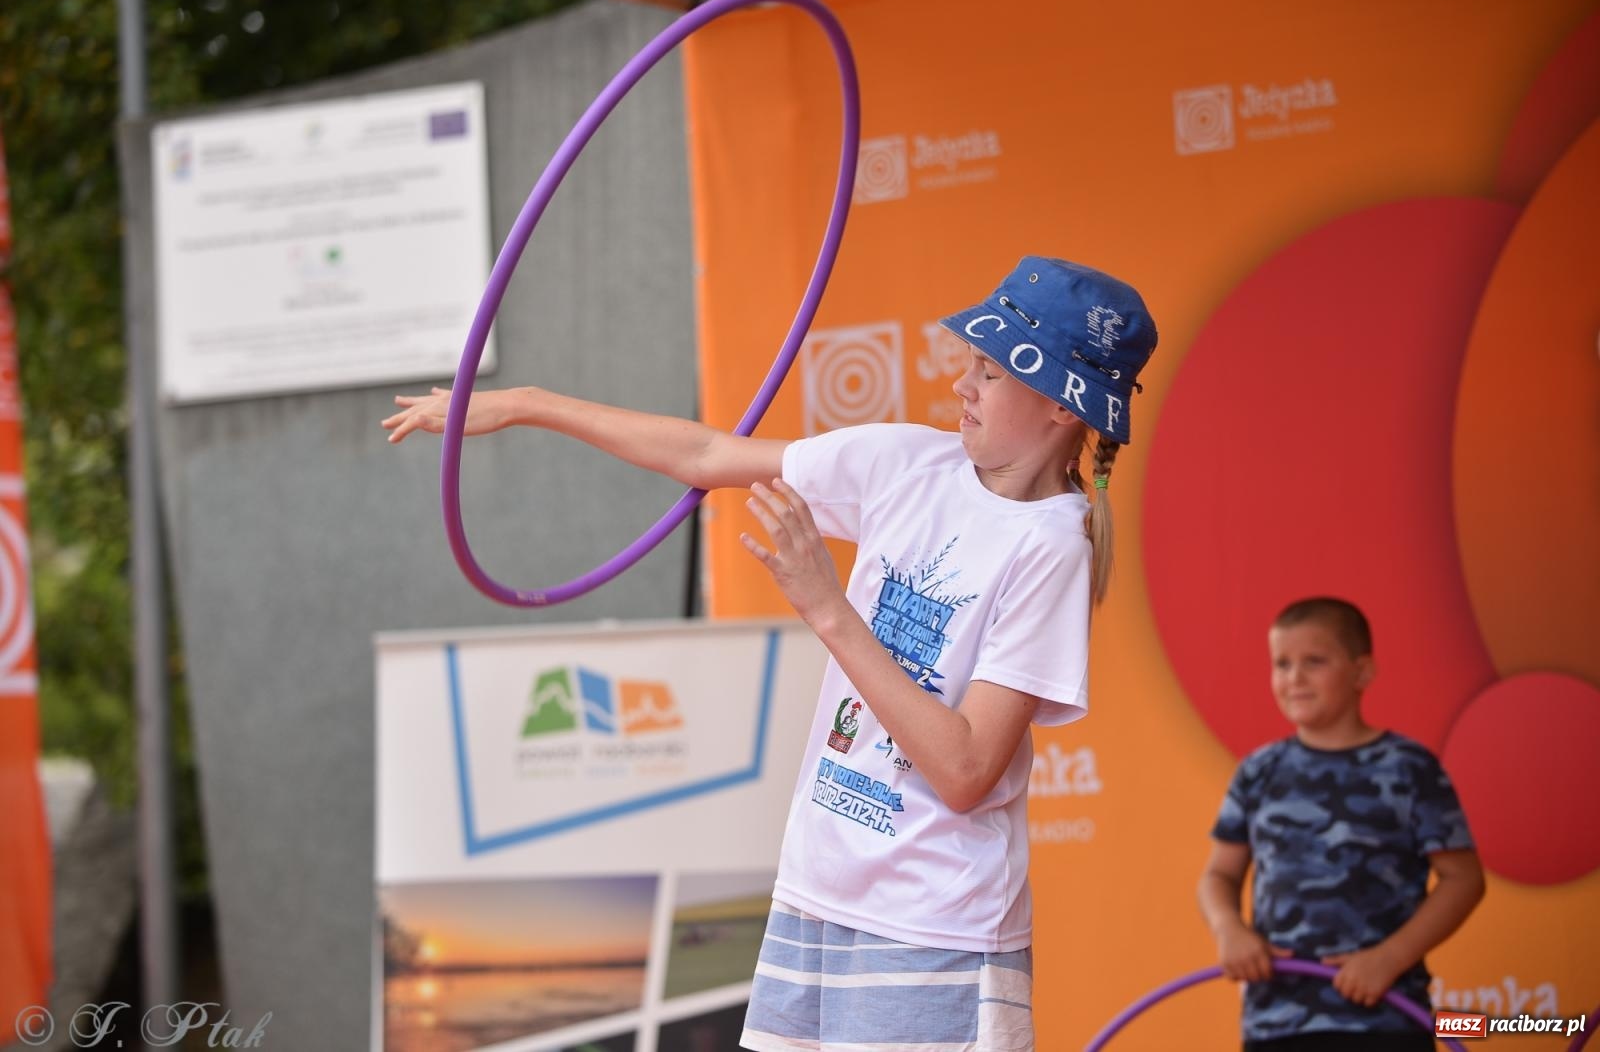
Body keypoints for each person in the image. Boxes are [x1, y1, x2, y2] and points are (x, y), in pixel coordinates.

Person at [384, 256, 1159, 1052]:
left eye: (991, 373)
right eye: (971, 362)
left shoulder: (1051, 547)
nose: (964, 384)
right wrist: (525, 403)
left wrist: (828, 607)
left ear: (1064, 407)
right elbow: (708, 457)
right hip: (815, 898)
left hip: (934, 931)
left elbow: (965, 772)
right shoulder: (908, 462)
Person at [1196, 597, 1486, 1052]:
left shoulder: (1409, 768)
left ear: (1362, 672)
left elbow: (1463, 879)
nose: (1295, 678)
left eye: (1314, 661)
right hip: (1277, 1024)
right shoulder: (1259, 771)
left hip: (1386, 1018)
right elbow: (1219, 875)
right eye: (1282, 664)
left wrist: (1389, 958)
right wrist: (1229, 928)